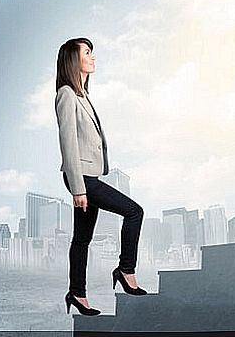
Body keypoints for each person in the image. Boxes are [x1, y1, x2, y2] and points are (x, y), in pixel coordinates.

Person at [54, 37, 147, 316]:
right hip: (81, 176)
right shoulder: (67, 94)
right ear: (74, 60)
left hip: (89, 174)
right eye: (87, 53)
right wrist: (78, 188)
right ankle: (125, 270)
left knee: (81, 239)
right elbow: (67, 142)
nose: (93, 58)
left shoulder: (83, 95)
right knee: (134, 212)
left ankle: (77, 294)